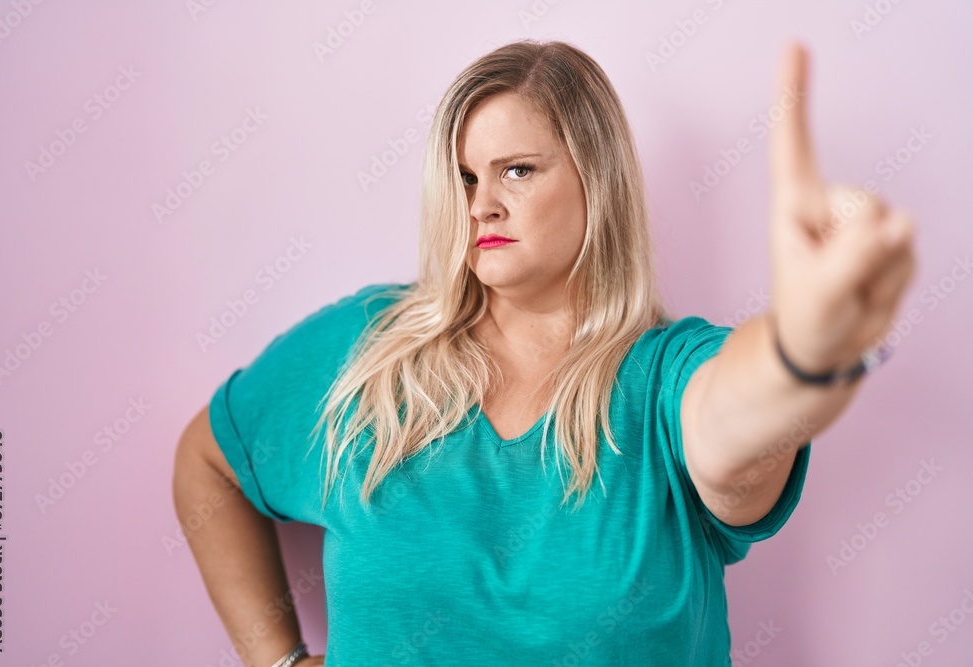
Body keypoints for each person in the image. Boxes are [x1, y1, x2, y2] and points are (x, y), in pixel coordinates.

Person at [172, 38, 916, 666]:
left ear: (597, 178)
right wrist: (279, 660)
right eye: (464, 178)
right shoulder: (369, 347)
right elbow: (206, 461)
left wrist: (801, 351)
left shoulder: (661, 379)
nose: (479, 205)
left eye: (516, 170)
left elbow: (739, 418)